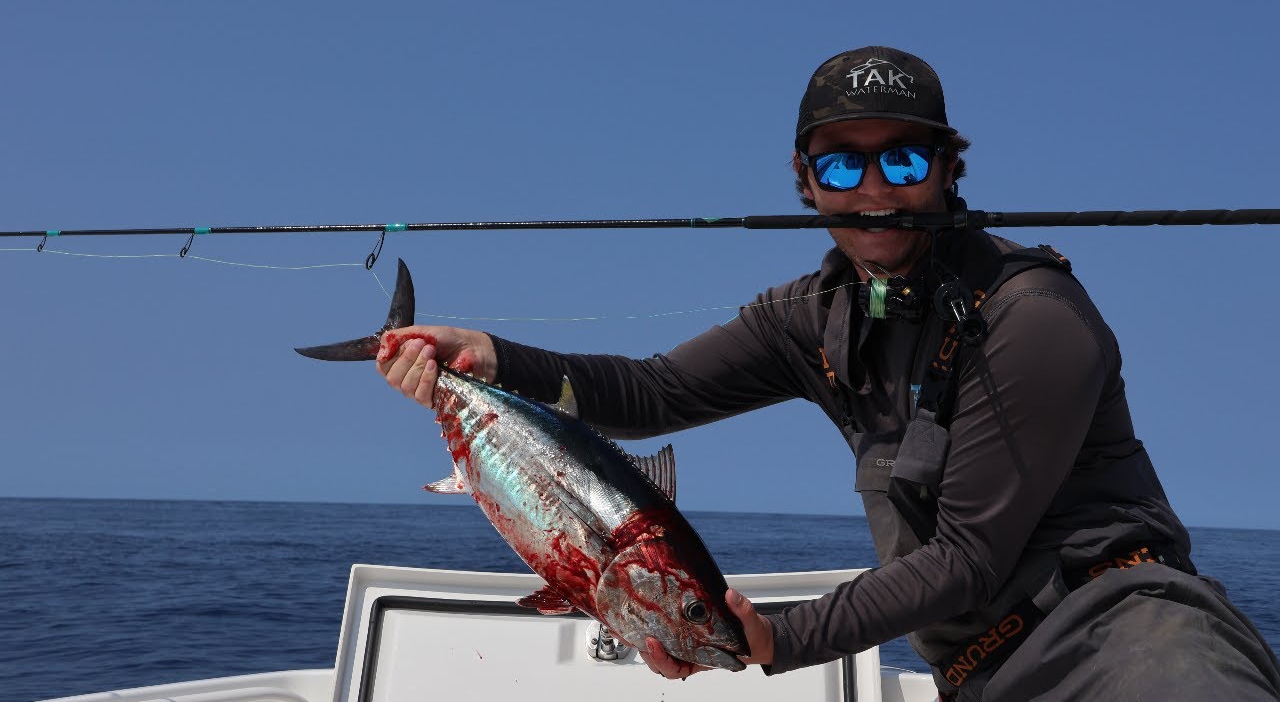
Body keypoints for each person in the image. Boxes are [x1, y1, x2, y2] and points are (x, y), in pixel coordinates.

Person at [373, 47, 1280, 700]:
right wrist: (491, 359)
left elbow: (966, 558)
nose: (875, 189)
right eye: (844, 163)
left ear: (950, 169)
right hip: (983, 675)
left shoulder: (1032, 317)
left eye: (905, 158)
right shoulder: (813, 316)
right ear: (807, 182)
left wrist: (776, 639)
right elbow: (653, 394)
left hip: (1133, 650)